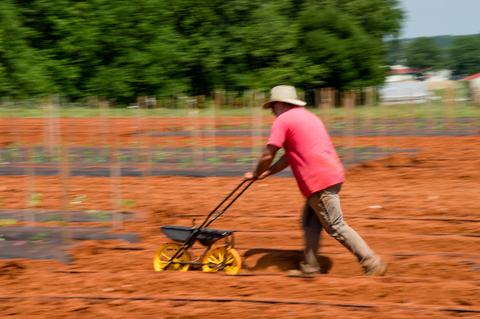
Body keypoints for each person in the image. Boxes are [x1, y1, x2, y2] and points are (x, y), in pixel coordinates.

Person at [245, 85, 387, 277]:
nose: (272, 111)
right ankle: (310, 267)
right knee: (310, 222)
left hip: (318, 180)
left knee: (336, 225)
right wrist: (268, 173)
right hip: (330, 174)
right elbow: (289, 156)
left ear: (279, 104)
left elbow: (268, 154)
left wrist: (256, 174)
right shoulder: (307, 116)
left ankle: (372, 263)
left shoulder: (283, 120)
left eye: (272, 107)